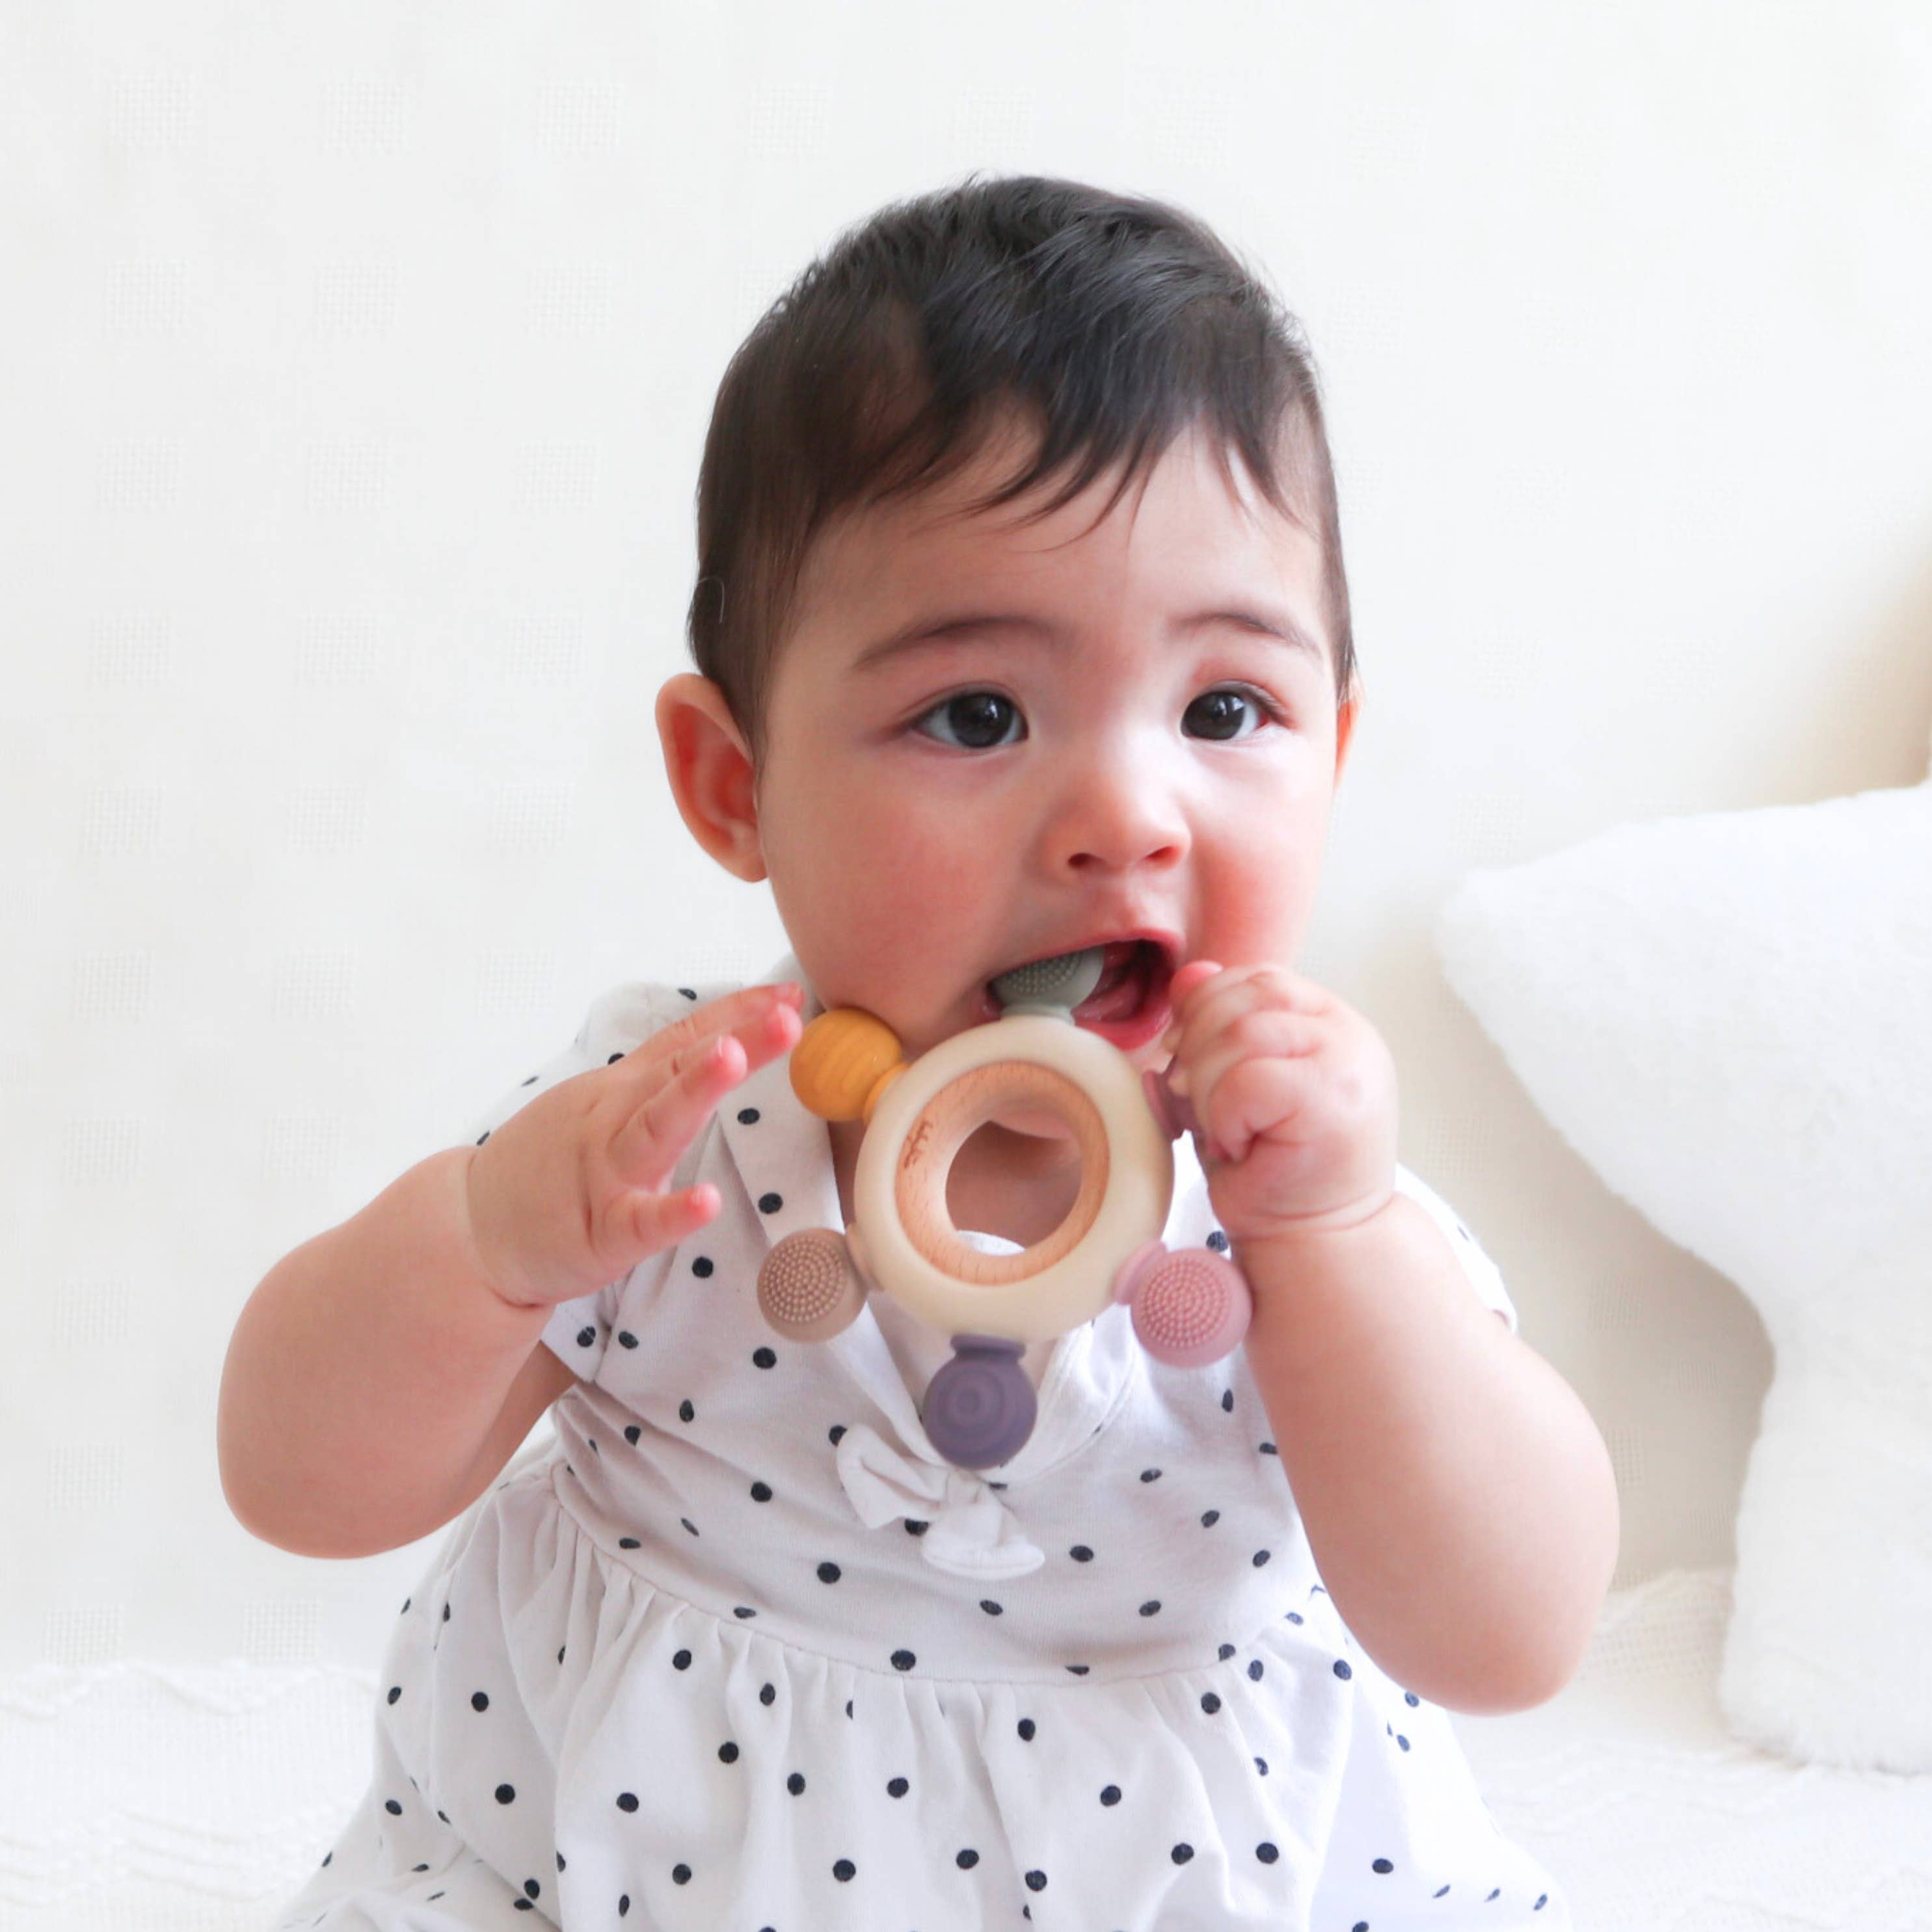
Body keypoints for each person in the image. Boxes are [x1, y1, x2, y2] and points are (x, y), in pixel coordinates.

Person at [223, 172, 1617, 1932]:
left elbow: (1510, 1632)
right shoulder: (667, 1137)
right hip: (659, 1869)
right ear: (736, 785)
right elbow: (292, 1478)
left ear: (1328, 754)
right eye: (976, 712)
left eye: (1222, 710)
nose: (1127, 811)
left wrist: (1332, 1248)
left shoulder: (1302, 1190)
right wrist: (490, 1240)